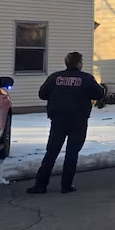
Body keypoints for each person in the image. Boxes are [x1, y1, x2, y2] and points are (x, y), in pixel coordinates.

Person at [28, 52, 104, 194]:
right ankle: (66, 185)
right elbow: (99, 94)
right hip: (78, 121)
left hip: (58, 120)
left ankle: (40, 185)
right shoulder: (86, 78)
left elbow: (42, 94)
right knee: (72, 153)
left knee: (51, 152)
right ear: (79, 63)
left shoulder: (55, 77)